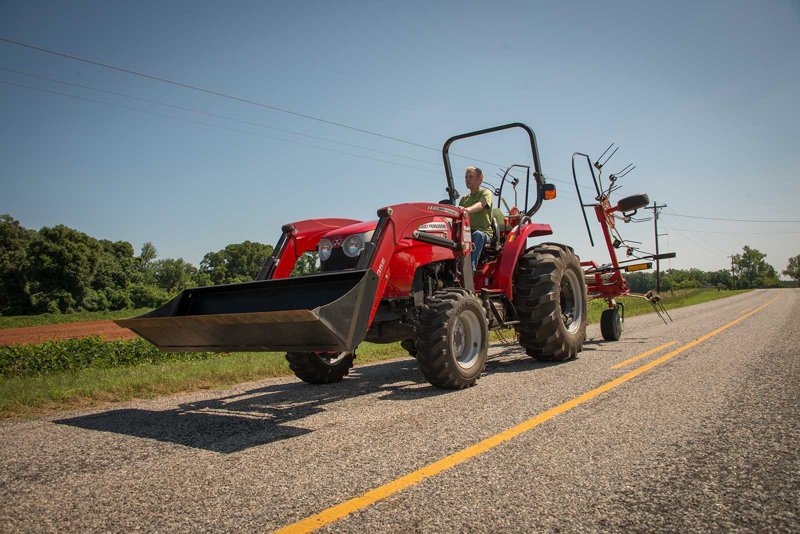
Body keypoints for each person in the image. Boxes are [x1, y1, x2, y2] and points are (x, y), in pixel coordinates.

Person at [458, 166, 493, 269]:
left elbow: (481, 205)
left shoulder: (486, 193)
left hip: (483, 233)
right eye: (466, 177)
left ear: (480, 178)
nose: (467, 179)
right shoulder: (464, 199)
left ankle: (470, 269)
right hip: (466, 232)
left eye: (470, 176)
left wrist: (467, 210)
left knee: (477, 235)